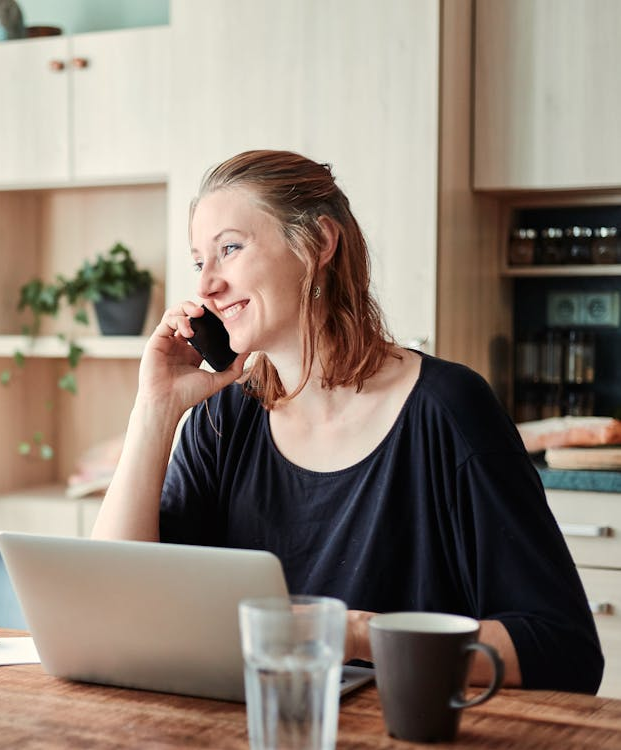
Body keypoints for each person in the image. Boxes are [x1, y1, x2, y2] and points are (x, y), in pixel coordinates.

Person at [91, 149, 603, 694]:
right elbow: (113, 606)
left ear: (317, 244)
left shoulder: (449, 409)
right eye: (200, 262)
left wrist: (352, 632)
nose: (207, 286)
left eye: (230, 249)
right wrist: (155, 408)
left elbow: (563, 650)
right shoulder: (223, 419)